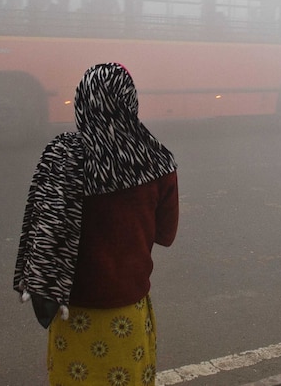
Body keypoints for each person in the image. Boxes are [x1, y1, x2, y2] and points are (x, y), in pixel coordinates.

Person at [14, 62, 179, 385]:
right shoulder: (158, 161)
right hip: (127, 311)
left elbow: (40, 231)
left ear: (82, 101)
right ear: (130, 101)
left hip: (72, 310)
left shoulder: (62, 156)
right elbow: (166, 235)